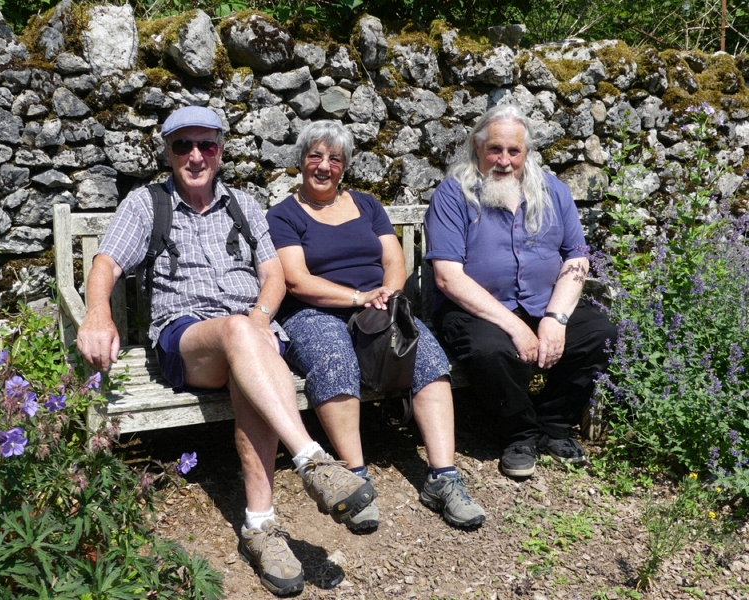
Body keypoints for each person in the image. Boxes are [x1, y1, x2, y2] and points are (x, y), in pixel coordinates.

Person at [76, 106, 378, 597]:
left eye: (207, 146)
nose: (196, 156)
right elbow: (106, 262)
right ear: (169, 152)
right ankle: (313, 460)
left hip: (249, 340)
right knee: (243, 335)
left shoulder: (243, 203)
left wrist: (259, 320)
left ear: (220, 151)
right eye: (183, 146)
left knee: (249, 353)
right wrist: (97, 313)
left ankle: (261, 527)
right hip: (186, 338)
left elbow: (273, 274)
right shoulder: (146, 204)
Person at [266, 120, 486, 532]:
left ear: (345, 166)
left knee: (429, 358)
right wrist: (355, 298)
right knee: (335, 361)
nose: (324, 166)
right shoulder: (283, 215)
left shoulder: (367, 204)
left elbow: (393, 260)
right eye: (315, 156)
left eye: (334, 158)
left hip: (376, 305)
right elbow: (296, 279)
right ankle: (355, 478)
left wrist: (386, 293)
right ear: (300, 161)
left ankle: (444, 478)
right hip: (312, 312)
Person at [425, 104, 617, 479]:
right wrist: (515, 327)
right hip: (476, 308)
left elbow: (577, 257)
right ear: (477, 147)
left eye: (514, 151)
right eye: (495, 149)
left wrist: (556, 318)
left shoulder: (552, 190)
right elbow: (447, 276)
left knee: (600, 334)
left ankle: (553, 423)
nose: (504, 160)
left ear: (526, 152)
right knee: (493, 350)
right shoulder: (453, 194)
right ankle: (518, 434)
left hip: (543, 303)